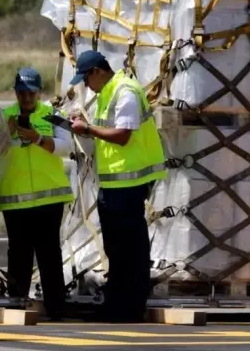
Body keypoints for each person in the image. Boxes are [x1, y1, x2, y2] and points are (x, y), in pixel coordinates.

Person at [68, 50, 167, 323]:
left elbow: (123, 136)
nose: (86, 86)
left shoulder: (125, 91)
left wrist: (87, 130)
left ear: (97, 72)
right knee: (116, 247)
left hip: (130, 182)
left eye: (86, 80)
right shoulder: (107, 93)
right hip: (113, 183)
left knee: (130, 249)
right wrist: (84, 125)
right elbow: (104, 136)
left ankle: (130, 307)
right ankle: (116, 303)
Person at [0, 68, 75, 320]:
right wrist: (6, 135)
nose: (26, 98)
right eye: (21, 93)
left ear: (40, 92)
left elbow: (68, 145)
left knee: (49, 255)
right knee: (18, 254)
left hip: (49, 199)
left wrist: (39, 139)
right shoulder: (3, 116)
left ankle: (56, 309)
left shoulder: (55, 115)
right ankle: (17, 304)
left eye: (31, 93)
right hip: (15, 198)